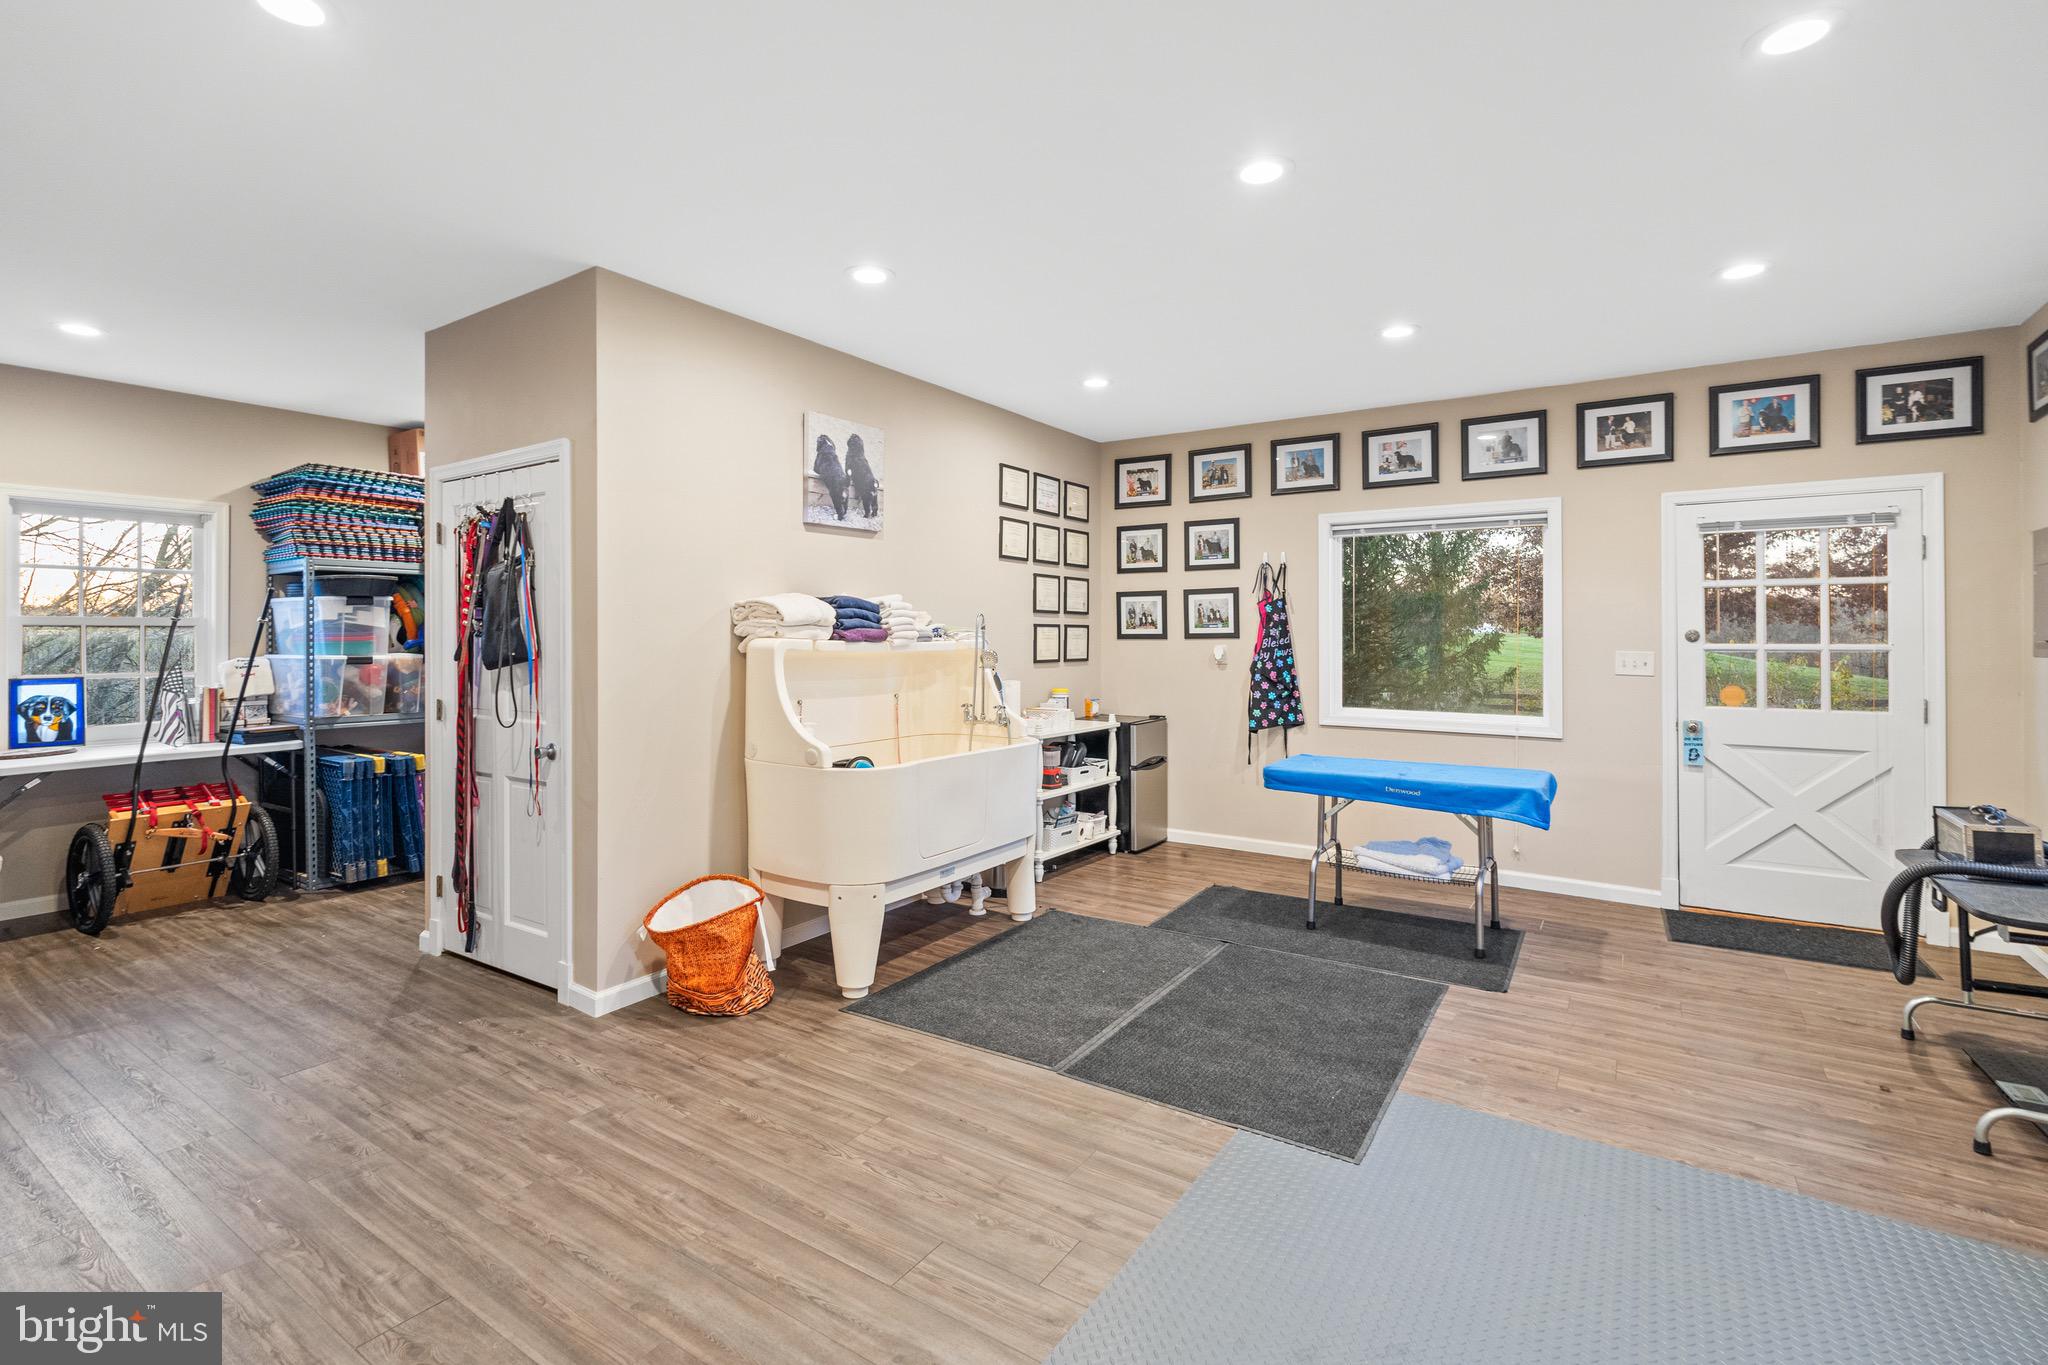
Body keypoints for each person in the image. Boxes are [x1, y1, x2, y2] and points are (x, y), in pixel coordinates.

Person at [813, 434, 847, 520]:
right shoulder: (833, 454)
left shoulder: (821, 454)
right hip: (842, 477)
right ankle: (844, 511)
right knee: (843, 493)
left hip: (833, 480)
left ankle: (840, 516)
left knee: (835, 496)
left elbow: (816, 469)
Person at [846, 432, 878, 518]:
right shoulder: (862, 456)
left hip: (863, 482)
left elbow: (848, 469)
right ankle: (875, 511)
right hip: (871, 479)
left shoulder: (850, 457)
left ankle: (867, 513)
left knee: (866, 496)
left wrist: (848, 479)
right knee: (873, 494)